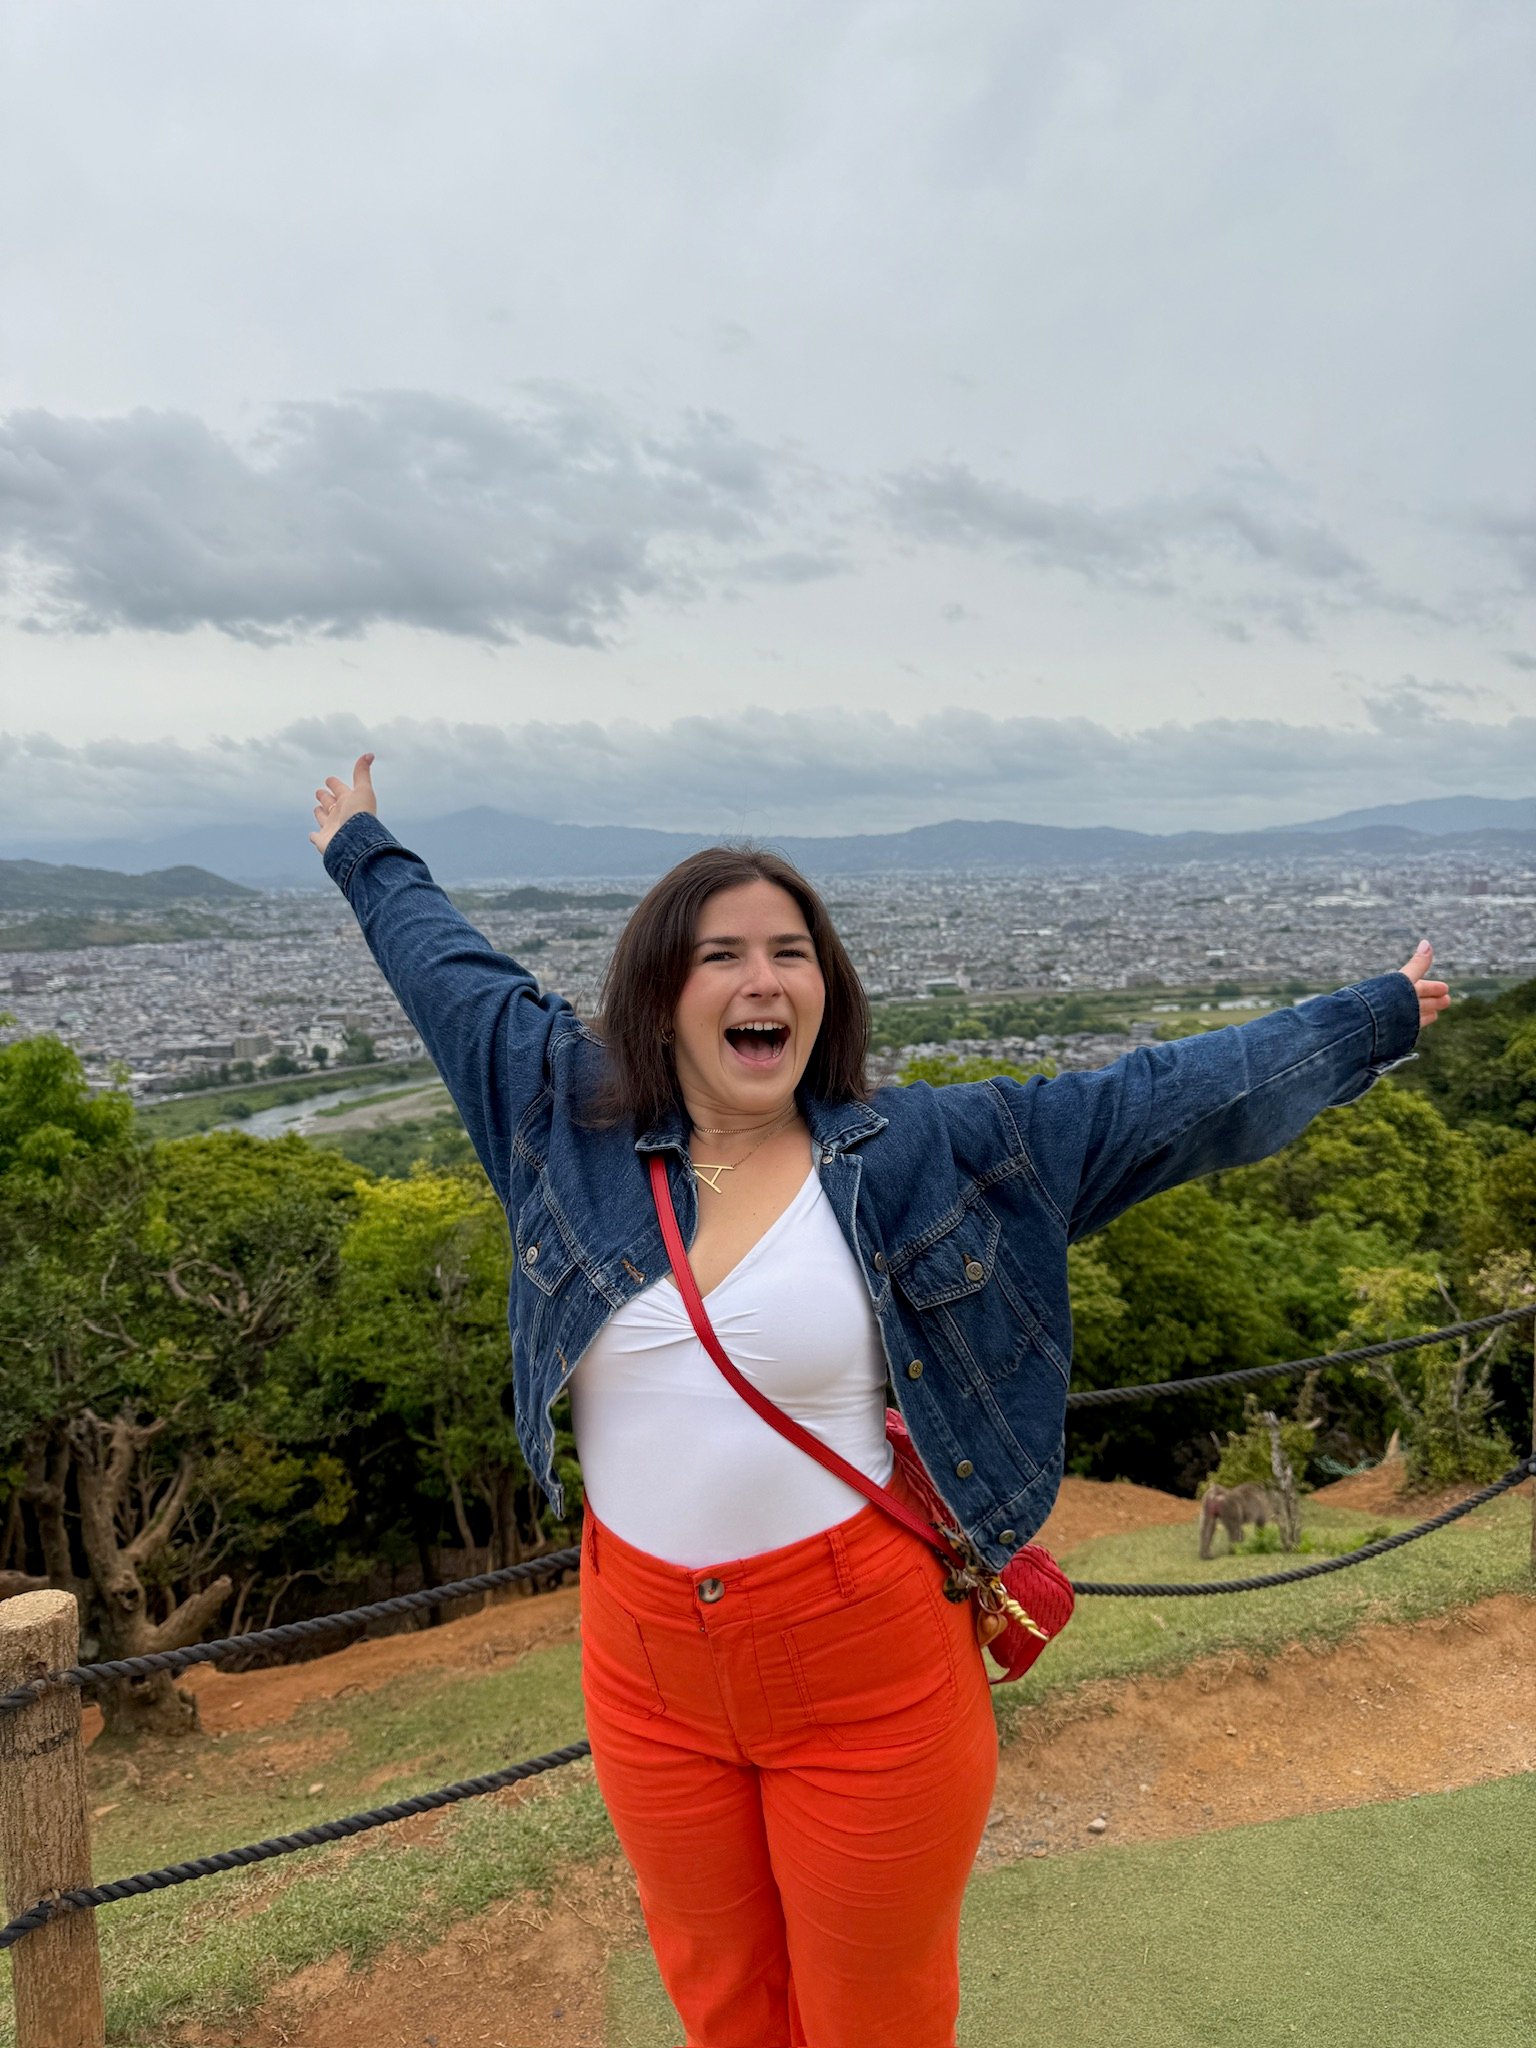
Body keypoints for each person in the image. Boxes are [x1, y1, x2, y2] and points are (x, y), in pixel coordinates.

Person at [310, 752, 1449, 2048]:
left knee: (874, 2018)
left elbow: (1160, 1103)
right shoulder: (563, 1120)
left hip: (867, 1653)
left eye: (790, 951)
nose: (760, 978)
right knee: (723, 2003)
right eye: (719, 954)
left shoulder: (923, 1156)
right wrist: (361, 842)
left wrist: (1374, 1020)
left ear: (826, 989)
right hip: (641, 1660)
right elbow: (449, 972)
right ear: (658, 994)